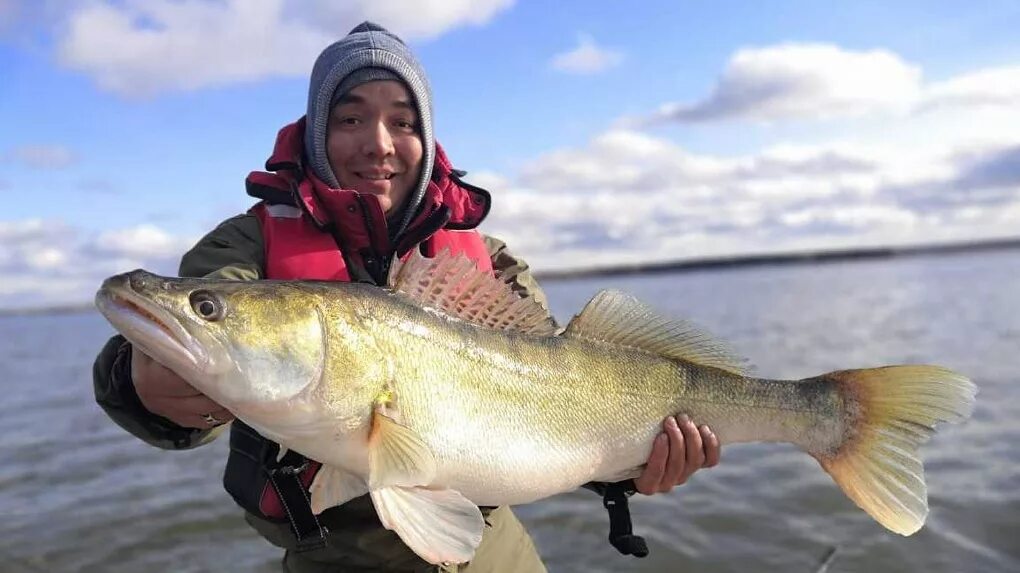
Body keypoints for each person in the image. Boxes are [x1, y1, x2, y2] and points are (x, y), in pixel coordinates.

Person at [92, 21, 721, 573]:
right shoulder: (245, 250)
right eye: (350, 118)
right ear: (316, 132)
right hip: (336, 560)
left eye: (403, 120)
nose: (379, 143)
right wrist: (134, 378)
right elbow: (204, 333)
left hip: (495, 552)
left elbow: (560, 412)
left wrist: (639, 468)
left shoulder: (488, 258)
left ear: (426, 137)